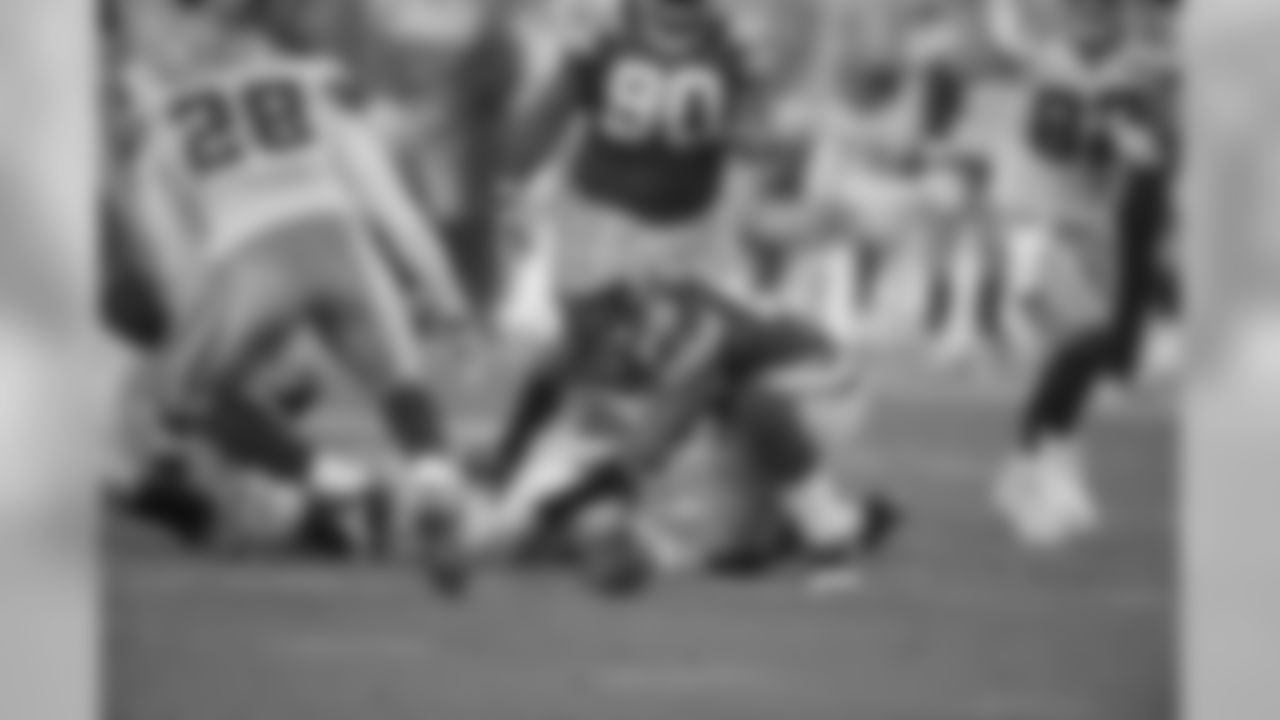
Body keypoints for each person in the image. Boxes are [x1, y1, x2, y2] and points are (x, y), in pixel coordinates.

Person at [111, 0, 473, 555]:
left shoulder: (163, 121)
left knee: (183, 394)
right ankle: (434, 482)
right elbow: (387, 200)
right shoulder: (316, 81)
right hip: (340, 240)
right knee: (402, 384)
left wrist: (205, 336)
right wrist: (446, 295)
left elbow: (173, 258)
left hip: (248, 259)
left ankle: (341, 486)